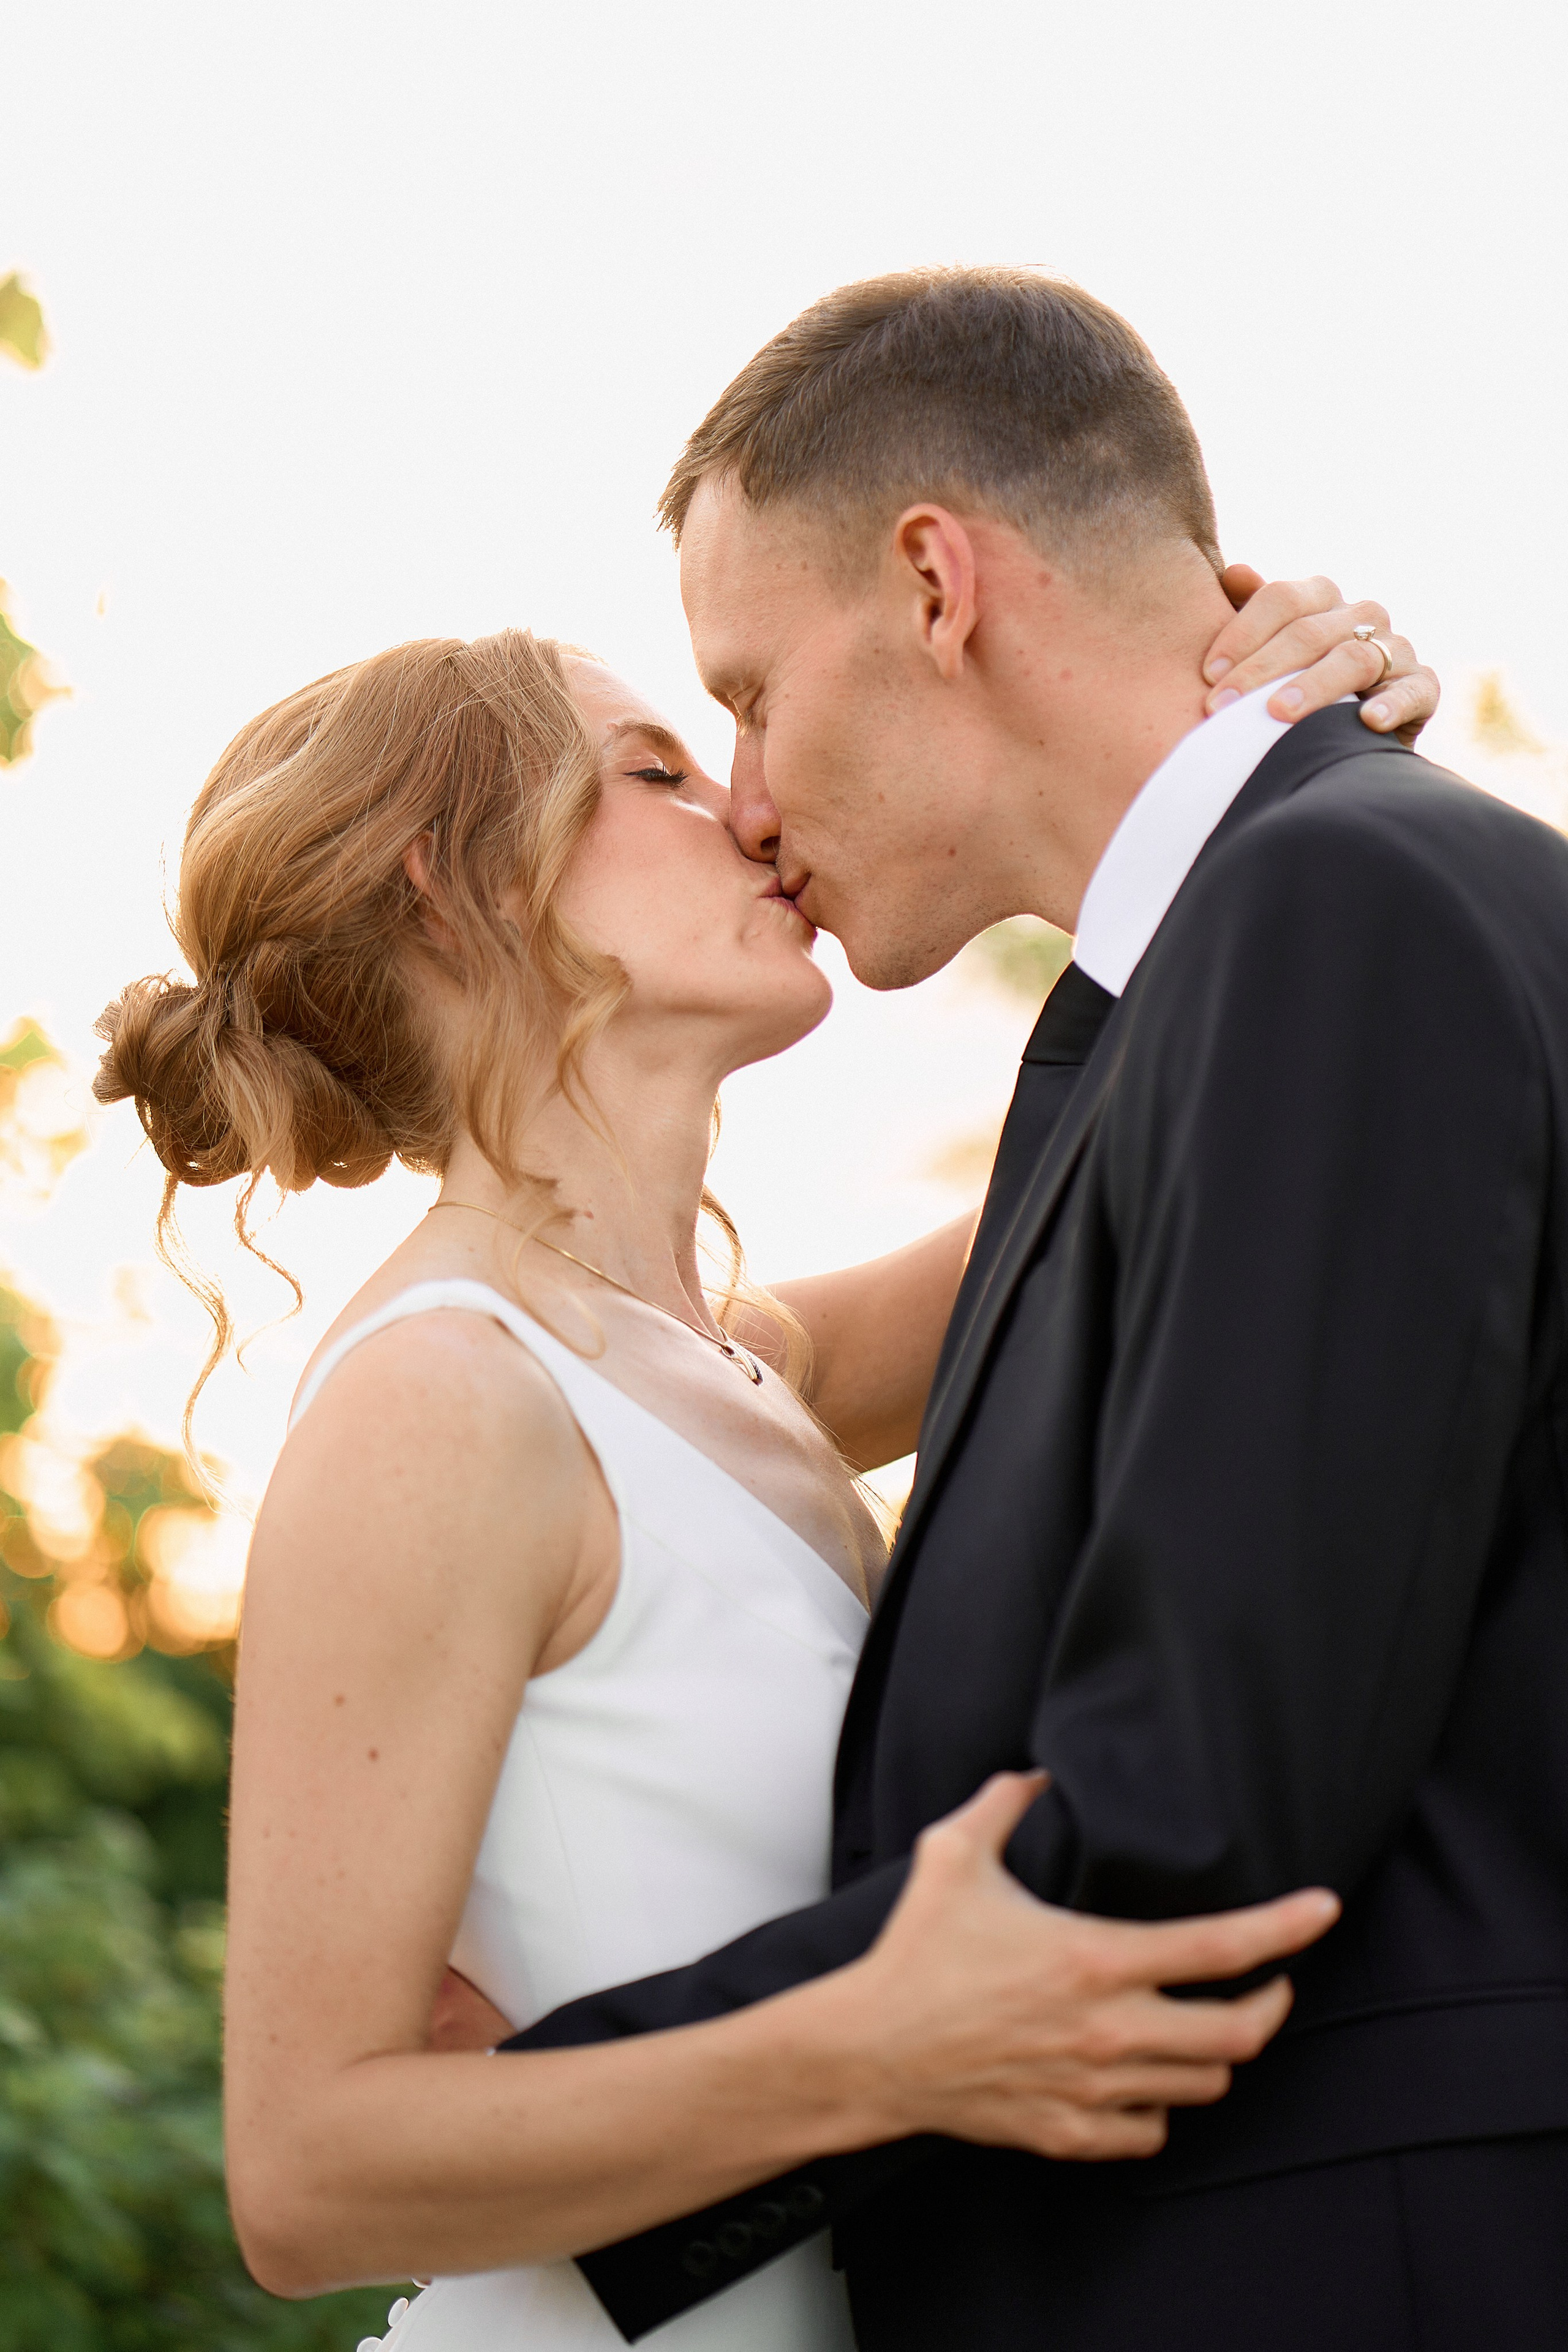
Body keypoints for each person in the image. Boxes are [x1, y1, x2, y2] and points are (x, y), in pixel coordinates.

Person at [92, 563, 1422, 2348]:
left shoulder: (743, 1365)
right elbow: (307, 2174)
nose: (750, 807)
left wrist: (1291, 764)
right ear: (456, 881)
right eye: (653, 769)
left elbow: (1169, 1138)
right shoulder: (444, 1401)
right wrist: (888, 2041)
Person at [486, 270, 1568, 2352]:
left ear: (931, 583)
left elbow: (1197, 1809)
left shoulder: (1338, 911)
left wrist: (548, 2121)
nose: (750, 798)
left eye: (749, 693)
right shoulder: (1251, 955)